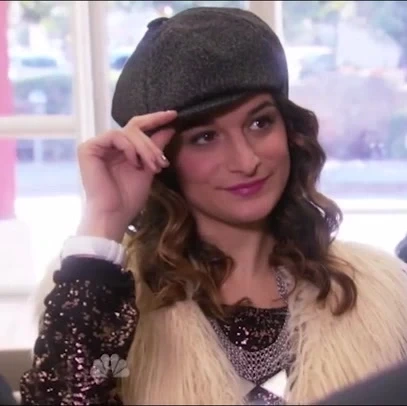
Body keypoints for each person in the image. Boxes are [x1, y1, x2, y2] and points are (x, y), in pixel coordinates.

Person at [20, 7, 407, 406]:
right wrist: (105, 218)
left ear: (290, 131)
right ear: (162, 157)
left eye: (260, 123)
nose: (246, 160)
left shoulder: (378, 294)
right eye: (205, 137)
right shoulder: (102, 298)